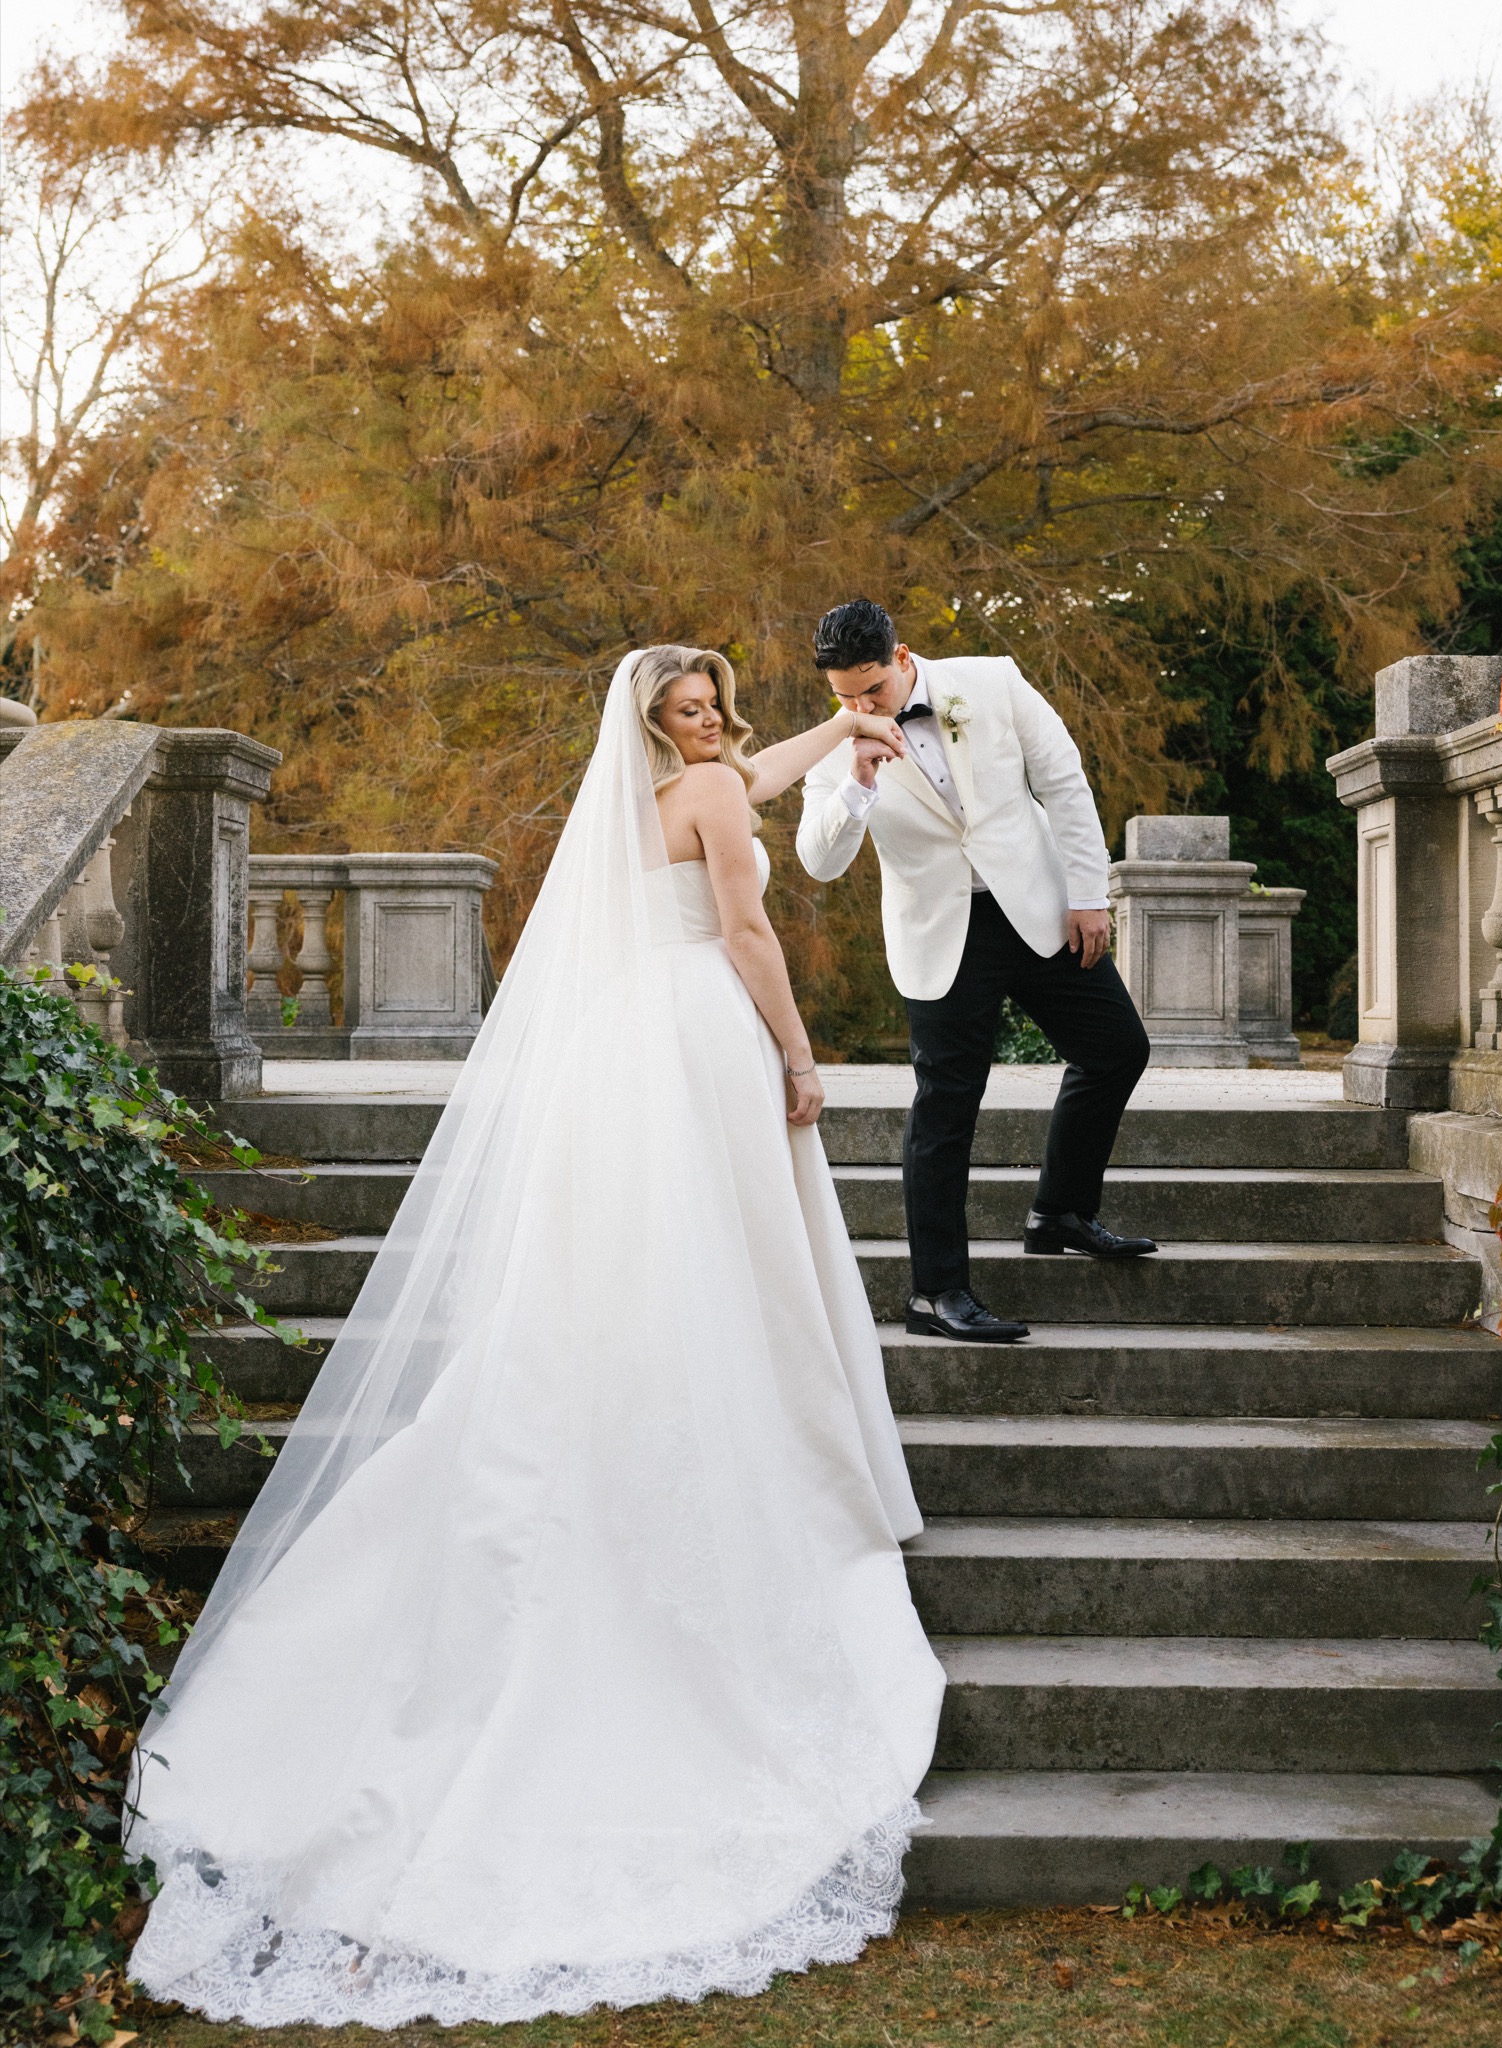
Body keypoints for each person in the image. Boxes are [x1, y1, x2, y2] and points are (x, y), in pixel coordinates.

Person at [125, 648, 945, 2026]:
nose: (706, 720)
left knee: (625, 1261)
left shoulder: (640, 802)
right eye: (687, 708)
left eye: (711, 704)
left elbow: (750, 779)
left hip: (624, 1049)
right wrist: (801, 1054)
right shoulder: (710, 797)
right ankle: (730, 1451)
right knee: (724, 1255)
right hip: (703, 1032)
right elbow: (749, 933)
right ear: (661, 722)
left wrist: (841, 729)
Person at [797, 600, 1155, 1348]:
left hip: (1038, 909)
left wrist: (1089, 895)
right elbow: (820, 863)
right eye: (844, 696)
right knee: (945, 1108)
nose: (860, 707)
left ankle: (1059, 1212)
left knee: (1117, 1048)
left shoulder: (991, 682)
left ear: (903, 659)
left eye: (872, 691)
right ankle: (936, 1293)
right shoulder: (833, 745)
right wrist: (856, 781)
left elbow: (1063, 782)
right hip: (940, 934)